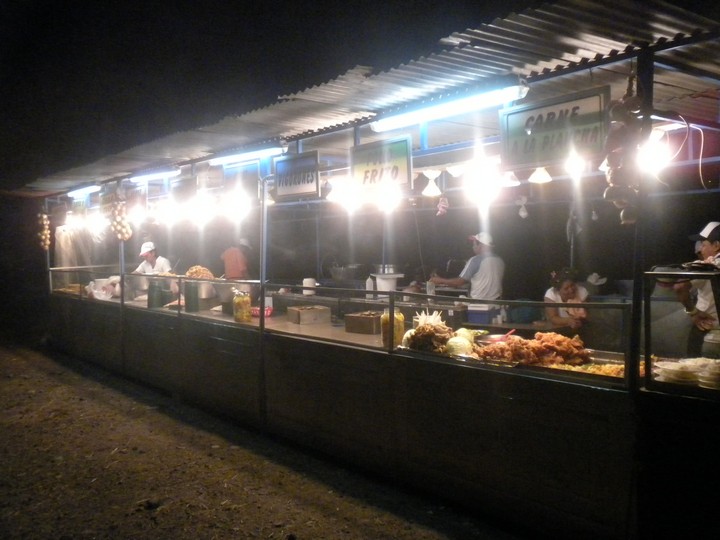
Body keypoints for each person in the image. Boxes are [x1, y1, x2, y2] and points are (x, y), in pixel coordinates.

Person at [673, 221, 720, 356]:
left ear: (716, 245)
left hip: (710, 335)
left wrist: (693, 312)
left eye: (704, 245)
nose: (700, 250)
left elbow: (680, 287)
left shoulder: (708, 265)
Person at [429, 232, 504, 300]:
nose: (473, 247)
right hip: (497, 303)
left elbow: (459, 282)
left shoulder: (475, 260)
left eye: (474, 244)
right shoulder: (500, 261)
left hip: (480, 305)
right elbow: (485, 281)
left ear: (481, 245)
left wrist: (440, 280)